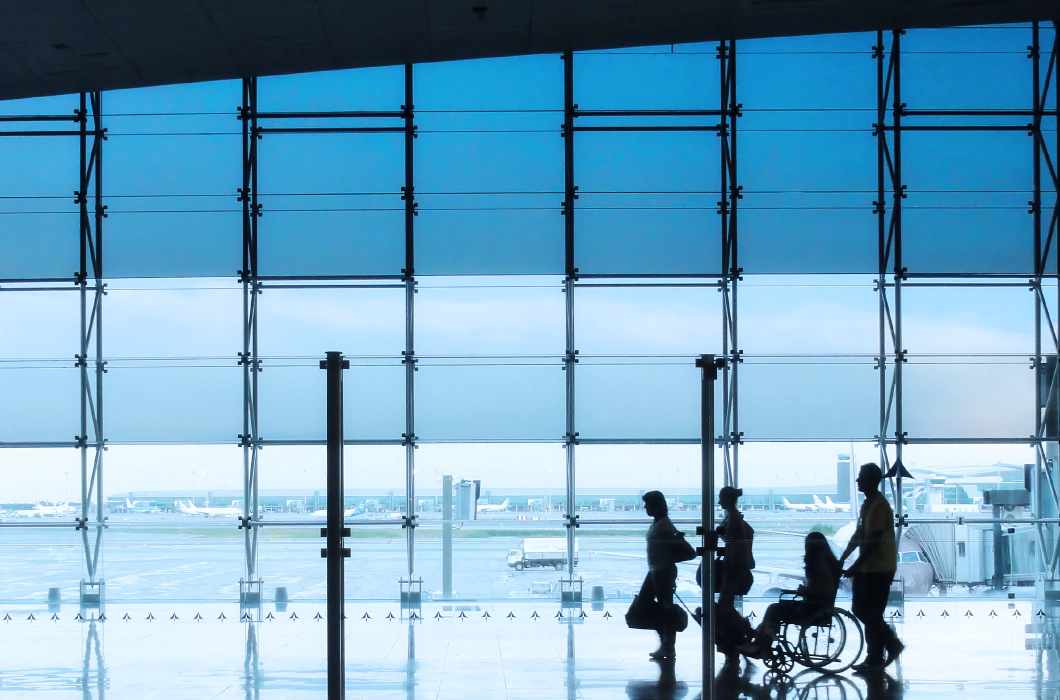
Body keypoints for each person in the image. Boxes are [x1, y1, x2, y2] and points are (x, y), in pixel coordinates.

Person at [839, 463, 903, 671]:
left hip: (879, 569)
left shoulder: (879, 506)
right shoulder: (868, 505)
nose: (857, 481)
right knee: (868, 613)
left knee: (868, 612)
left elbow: (873, 541)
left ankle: (888, 647)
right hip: (870, 568)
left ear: (870, 480)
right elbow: (859, 535)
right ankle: (875, 657)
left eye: (860, 477)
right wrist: (844, 558)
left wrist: (855, 565)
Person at [735, 532, 840, 658]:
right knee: (775, 609)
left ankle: (759, 644)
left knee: (774, 609)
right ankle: (760, 644)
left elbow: (827, 590)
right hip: (815, 606)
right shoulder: (825, 563)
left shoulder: (820, 565)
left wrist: (806, 590)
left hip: (813, 608)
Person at [714, 486, 755, 660]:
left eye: (721, 498)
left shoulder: (733, 518)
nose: (719, 502)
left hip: (734, 566)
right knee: (726, 604)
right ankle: (744, 629)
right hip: (736, 565)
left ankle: (745, 629)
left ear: (727, 500)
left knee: (725, 605)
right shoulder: (734, 517)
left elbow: (733, 542)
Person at [641, 490, 680, 660]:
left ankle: (668, 645)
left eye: (647, 504)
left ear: (655, 506)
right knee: (659, 607)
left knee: (664, 608)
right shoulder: (660, 522)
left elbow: (667, 548)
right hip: (656, 570)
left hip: (662, 571)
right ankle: (666, 644)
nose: (645, 507)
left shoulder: (663, 525)